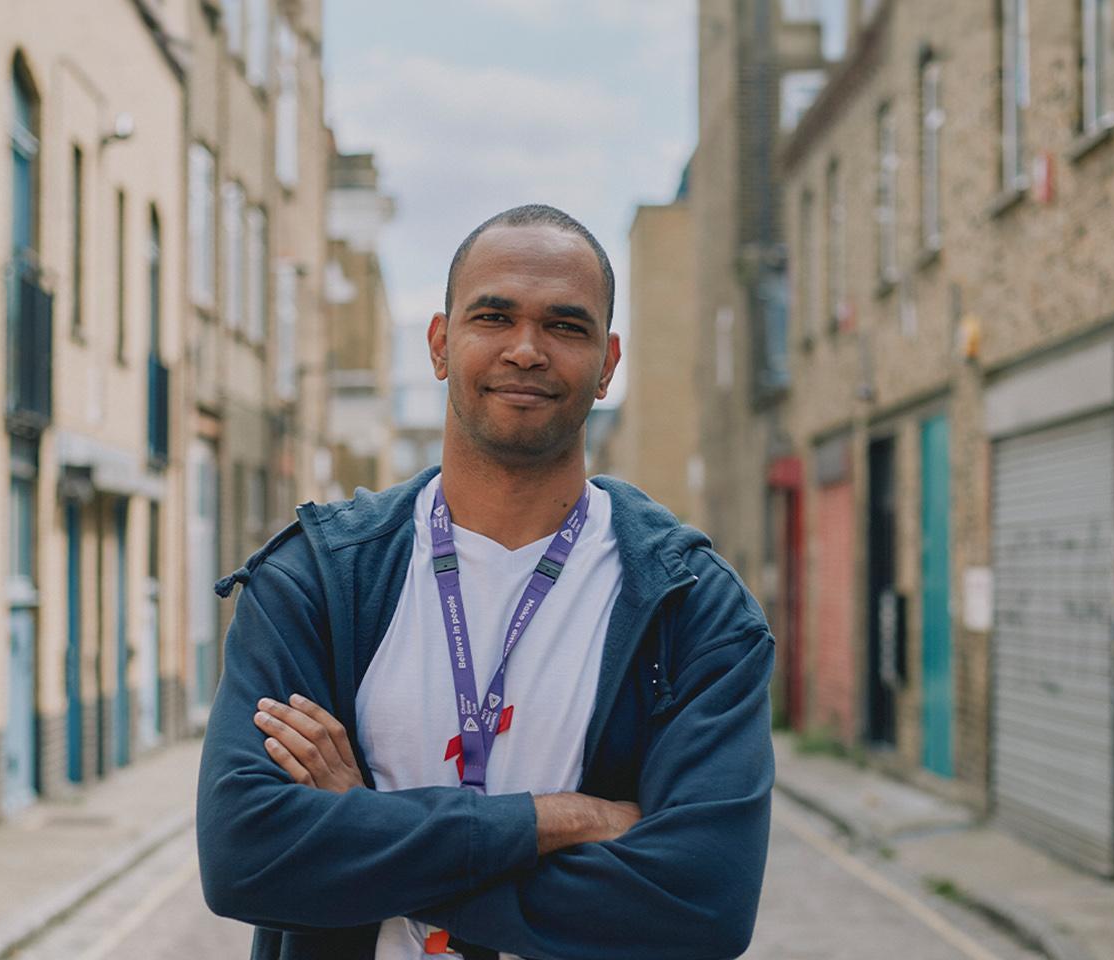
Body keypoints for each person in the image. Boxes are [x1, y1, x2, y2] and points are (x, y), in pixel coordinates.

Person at [195, 204, 775, 960]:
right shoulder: (317, 581)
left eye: (566, 326)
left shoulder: (692, 607)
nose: (526, 350)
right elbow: (248, 855)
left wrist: (365, 829)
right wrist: (553, 821)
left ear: (608, 365)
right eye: (493, 317)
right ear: (440, 344)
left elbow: (702, 905)